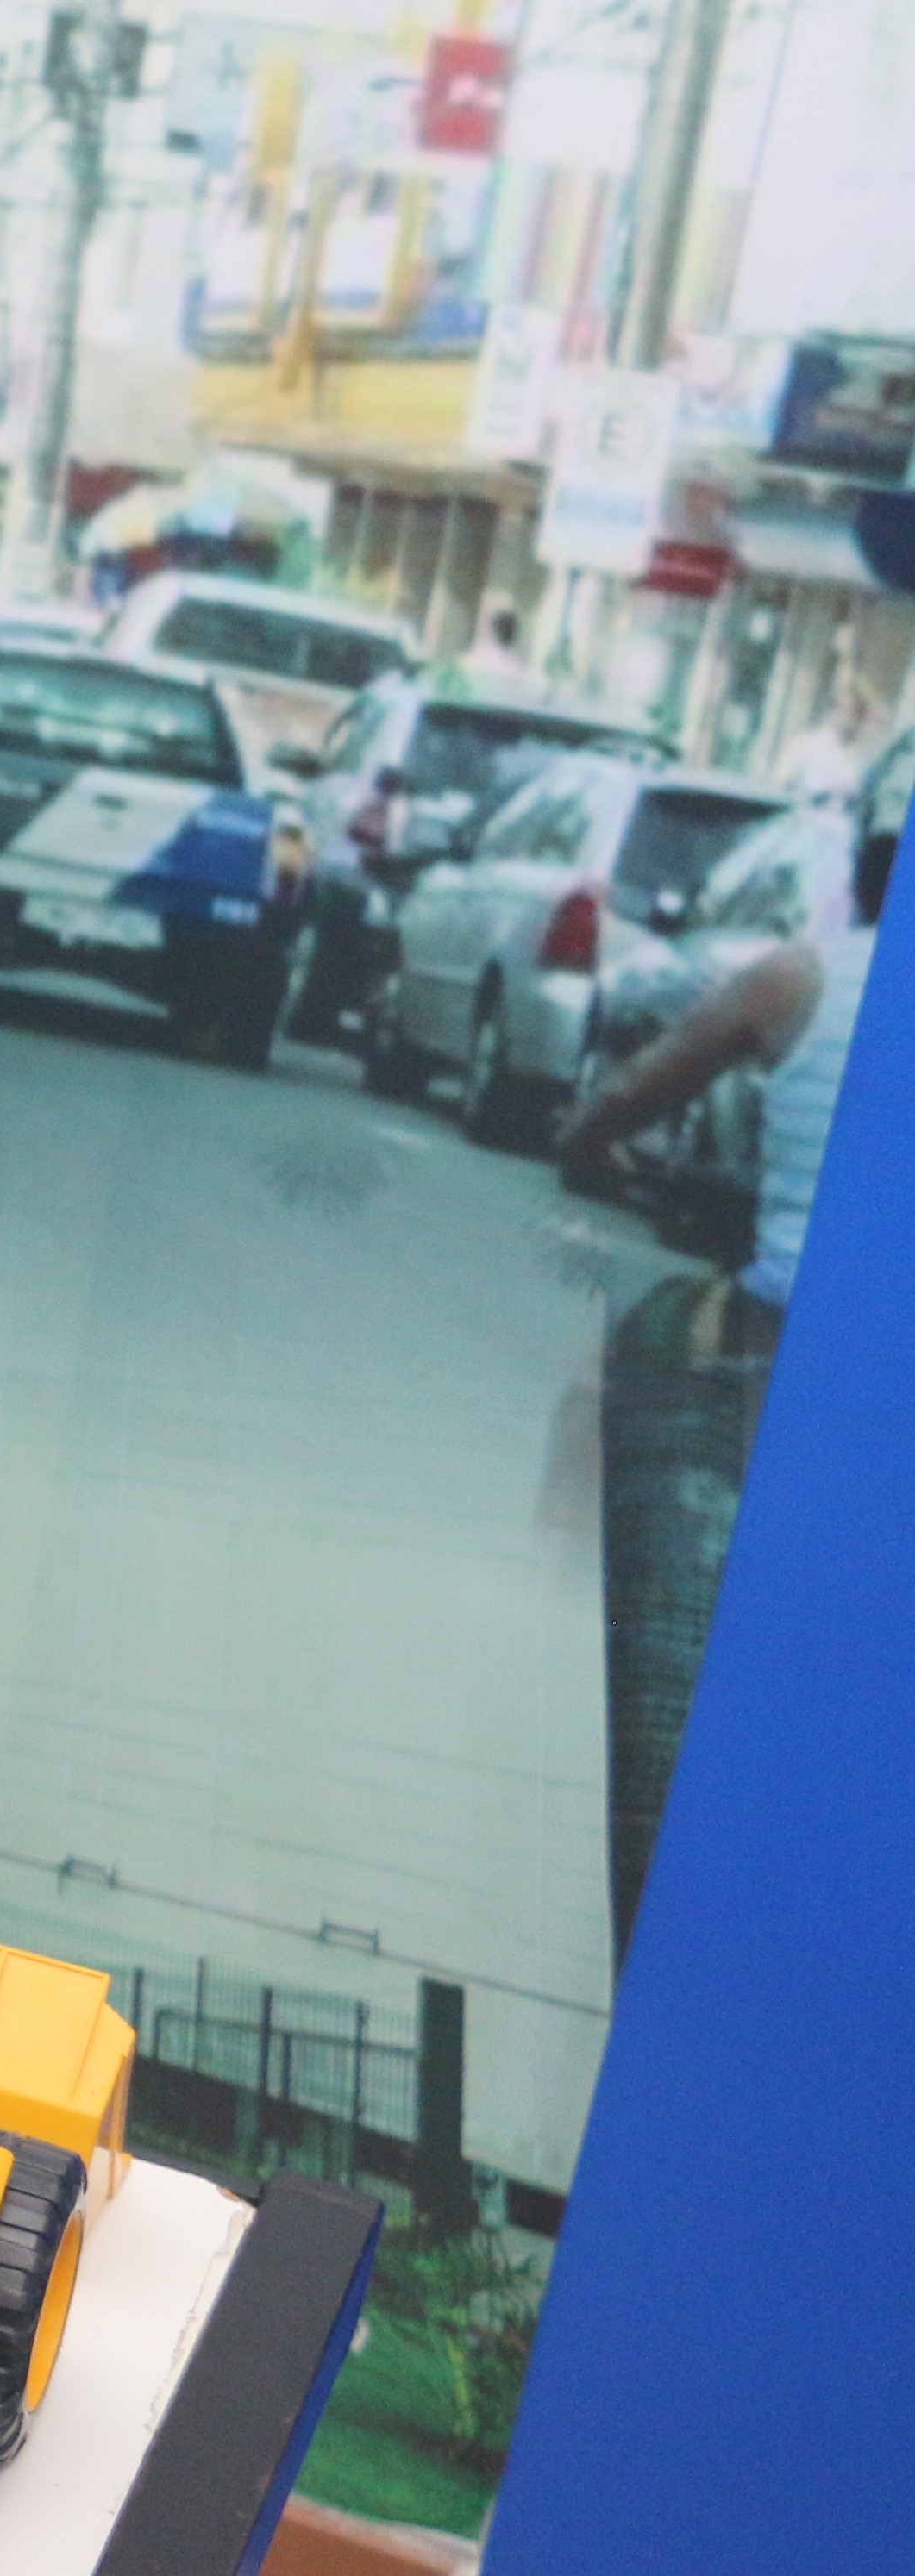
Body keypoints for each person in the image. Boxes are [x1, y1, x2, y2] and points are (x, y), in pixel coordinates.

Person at [558, 727, 896, 1955]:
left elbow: (629, 1095)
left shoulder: (798, 981)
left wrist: (595, 1148)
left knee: (685, 1604)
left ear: (864, 878)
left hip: (785, 1345)